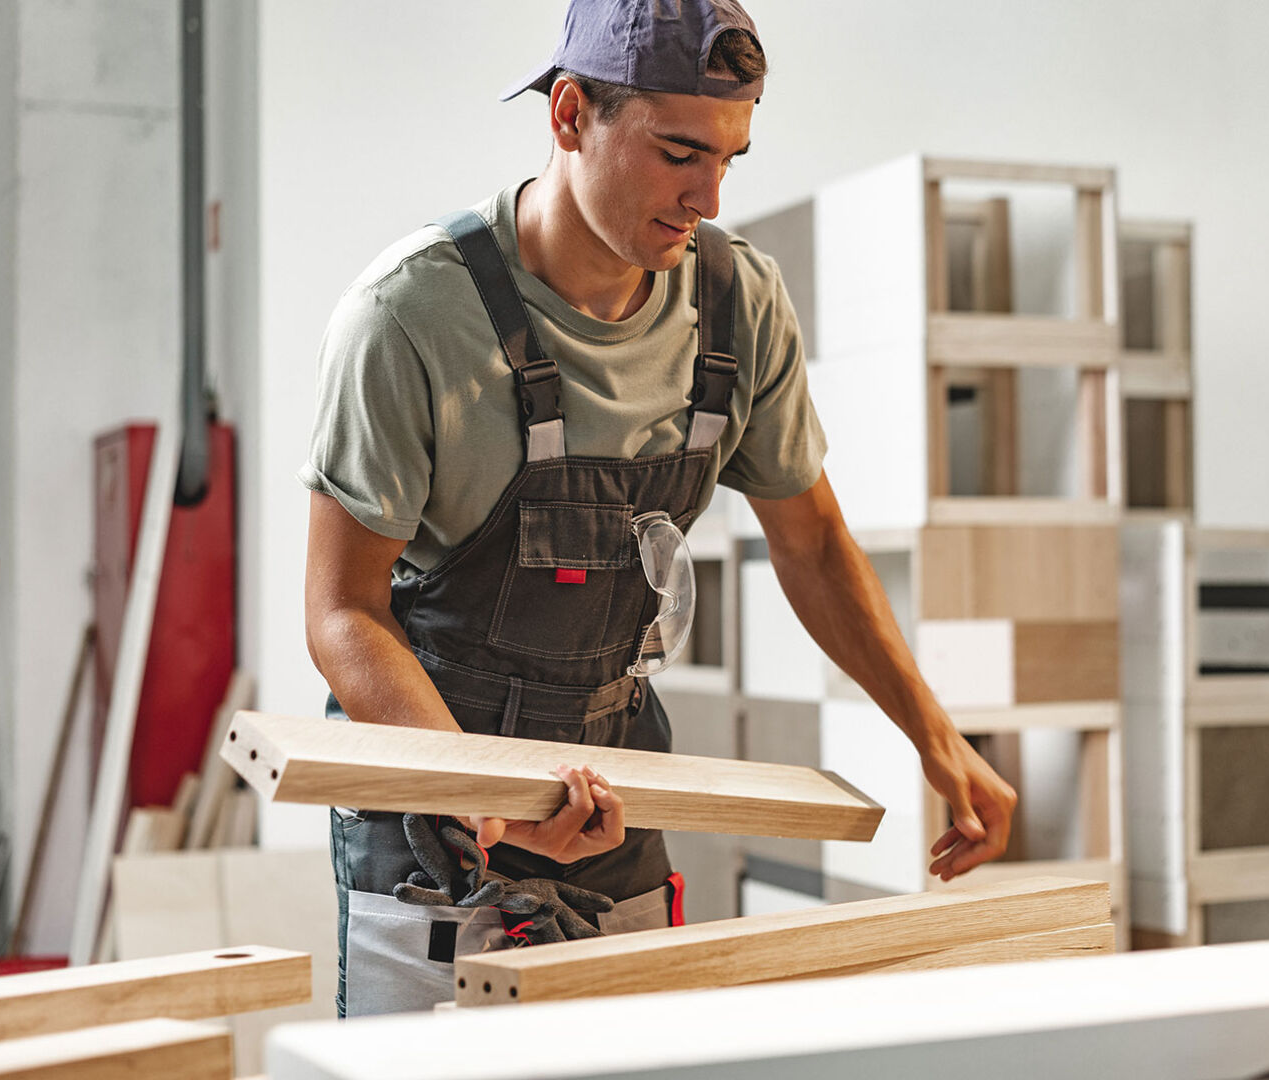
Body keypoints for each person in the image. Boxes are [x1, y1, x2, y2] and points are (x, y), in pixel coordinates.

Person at [302, 0, 1017, 1017]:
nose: (708, 194)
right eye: (678, 151)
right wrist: (492, 800)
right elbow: (342, 615)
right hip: (435, 801)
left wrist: (934, 738)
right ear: (568, 115)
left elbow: (810, 541)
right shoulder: (410, 317)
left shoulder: (736, 303)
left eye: (731, 155)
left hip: (615, 786)